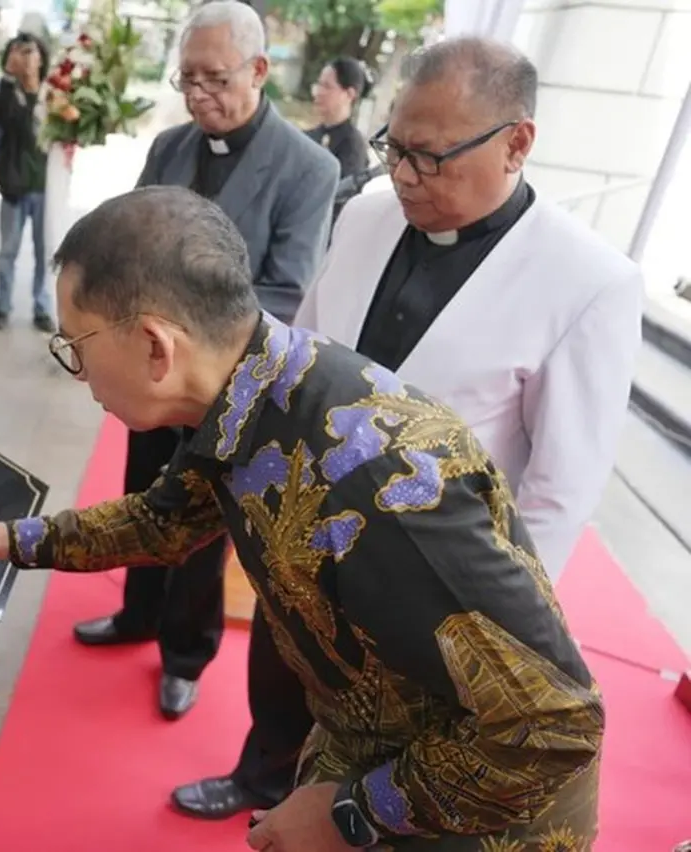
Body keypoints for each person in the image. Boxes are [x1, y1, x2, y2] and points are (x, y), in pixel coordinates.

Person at [0, 185, 604, 851]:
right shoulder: (252, 389)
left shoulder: (378, 481)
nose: (78, 372)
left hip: (474, 815)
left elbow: (551, 725)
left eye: (75, 346)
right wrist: (0, 538)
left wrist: (350, 816)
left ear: (157, 346)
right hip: (373, 749)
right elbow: (162, 523)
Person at [175, 37, 644, 822]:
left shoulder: (590, 281)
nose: (402, 176)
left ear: (517, 142)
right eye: (396, 147)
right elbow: (305, 345)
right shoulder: (366, 212)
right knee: (281, 667)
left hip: (429, 573)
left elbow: (562, 488)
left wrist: (500, 629)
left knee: (382, 745)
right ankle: (262, 778)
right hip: (303, 521)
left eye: (430, 158)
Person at [71, 0, 340, 727]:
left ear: (259, 70)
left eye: (214, 79)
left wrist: (192, 344)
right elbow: (131, 245)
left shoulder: (309, 167)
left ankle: (184, 653)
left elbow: (287, 283)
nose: (198, 96)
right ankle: (136, 611)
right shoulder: (168, 146)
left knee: (201, 524)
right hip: (145, 369)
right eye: (186, 80)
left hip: (226, 385)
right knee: (139, 494)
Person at [0, 33, 52, 332]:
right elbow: (3, 119)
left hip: (46, 189)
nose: (27, 58)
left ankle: (42, 307)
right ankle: (2, 306)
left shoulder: (55, 93)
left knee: (46, 252)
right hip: (15, 188)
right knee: (8, 252)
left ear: (42, 56)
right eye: (20, 52)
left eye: (31, 51)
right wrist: (8, 76)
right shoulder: (7, 92)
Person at [308, 57, 372, 178]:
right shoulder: (310, 135)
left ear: (349, 94)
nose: (318, 92)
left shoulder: (353, 147)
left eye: (327, 86)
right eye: (319, 84)